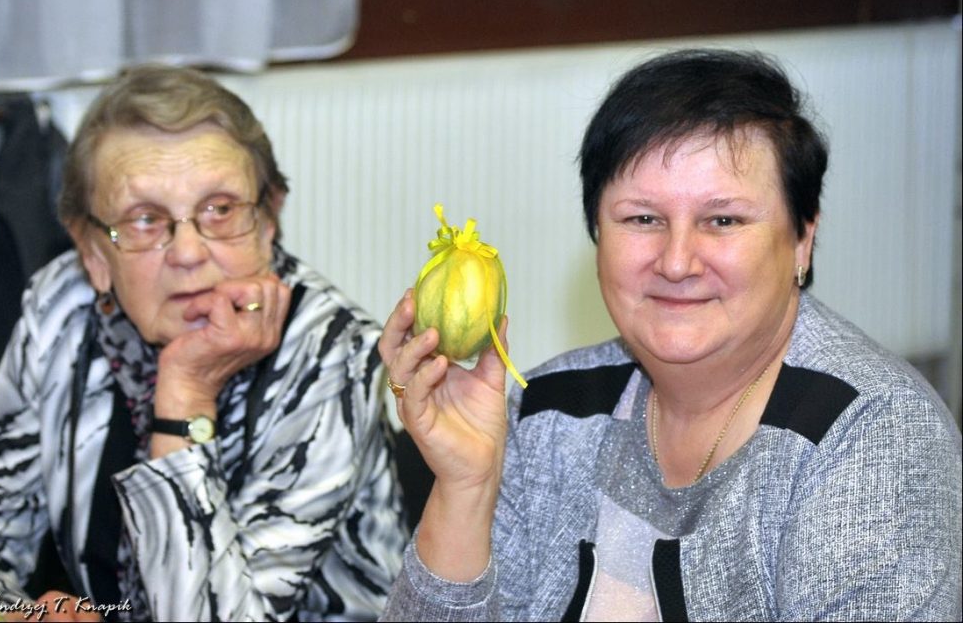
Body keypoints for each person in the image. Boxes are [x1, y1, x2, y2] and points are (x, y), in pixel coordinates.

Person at [378, 49, 962, 621]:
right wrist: (466, 488)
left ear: (802, 239)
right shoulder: (550, 411)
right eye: (643, 219)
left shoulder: (872, 435)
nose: (677, 262)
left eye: (723, 220)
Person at [0, 65, 406, 621]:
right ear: (93, 253)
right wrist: (14, 614)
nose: (188, 252)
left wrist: (185, 396)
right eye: (145, 220)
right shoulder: (64, 304)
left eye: (220, 209)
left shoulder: (332, 352)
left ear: (268, 222)